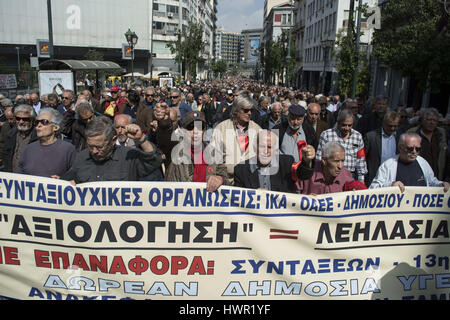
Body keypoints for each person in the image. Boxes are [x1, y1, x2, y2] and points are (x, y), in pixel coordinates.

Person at [61, 116, 162, 184]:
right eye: (90, 146)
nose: (94, 151)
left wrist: (142, 139)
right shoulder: (81, 157)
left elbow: (154, 161)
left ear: (113, 140)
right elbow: (69, 178)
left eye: (99, 147)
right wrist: (59, 183)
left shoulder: (128, 157)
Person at [234, 129, 315, 193]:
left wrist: (307, 161)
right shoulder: (241, 170)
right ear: (255, 147)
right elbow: (237, 199)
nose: (265, 151)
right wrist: (253, 195)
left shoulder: (286, 163)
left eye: (269, 147)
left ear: (276, 149)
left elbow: (304, 175)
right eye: (262, 146)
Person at [165, 111, 226, 193]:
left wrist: (221, 179)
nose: (196, 131)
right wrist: (163, 123)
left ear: (205, 130)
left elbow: (226, 177)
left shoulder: (215, 153)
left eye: (200, 127)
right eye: (190, 127)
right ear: (183, 131)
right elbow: (164, 137)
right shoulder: (174, 149)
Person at [209, 94, 262, 185]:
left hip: (249, 182)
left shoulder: (257, 129)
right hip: (227, 181)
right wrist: (217, 177)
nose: (249, 113)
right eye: (246, 110)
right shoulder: (221, 128)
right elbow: (213, 158)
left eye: (251, 110)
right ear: (236, 110)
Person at [370, 133, 449, 192]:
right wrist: (390, 185)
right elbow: (373, 188)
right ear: (400, 147)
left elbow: (432, 182)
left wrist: (440, 185)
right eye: (410, 148)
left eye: (417, 149)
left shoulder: (423, 162)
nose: (414, 152)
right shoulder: (388, 165)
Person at [17, 108, 77, 178]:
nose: (38, 125)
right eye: (36, 122)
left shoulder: (68, 149)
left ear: (56, 127)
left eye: (44, 122)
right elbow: (19, 176)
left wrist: (63, 180)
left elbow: (75, 175)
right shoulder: (28, 149)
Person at [316, 109, 368, 182]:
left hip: (350, 176)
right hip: (330, 176)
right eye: (344, 125)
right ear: (338, 123)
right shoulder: (326, 135)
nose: (347, 128)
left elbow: (360, 160)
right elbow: (319, 158)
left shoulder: (358, 136)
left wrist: (361, 180)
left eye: (349, 125)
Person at [297, 141, 366, 195]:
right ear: (324, 160)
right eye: (336, 161)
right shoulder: (307, 172)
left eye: (342, 161)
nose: (340, 166)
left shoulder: (346, 176)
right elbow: (292, 195)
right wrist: (305, 199)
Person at [407, 108, 447, 181]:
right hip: (417, 178)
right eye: (429, 120)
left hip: (437, 178)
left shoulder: (441, 134)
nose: (431, 122)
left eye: (434, 120)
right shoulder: (412, 133)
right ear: (422, 120)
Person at [364, 110, 400, 186]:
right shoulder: (371, 137)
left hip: (393, 178)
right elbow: (363, 159)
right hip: (374, 178)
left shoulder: (400, 138)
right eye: (390, 126)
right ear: (383, 123)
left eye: (395, 126)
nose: (392, 128)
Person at [2, 104, 38, 172]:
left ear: (32, 120)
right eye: (18, 118)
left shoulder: (37, 137)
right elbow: (6, 155)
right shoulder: (10, 135)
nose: (21, 122)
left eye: (25, 119)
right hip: (12, 177)